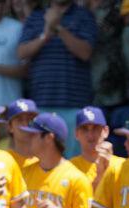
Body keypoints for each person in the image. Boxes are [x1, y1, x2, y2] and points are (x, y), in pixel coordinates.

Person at [17, 0, 98, 157]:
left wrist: (58, 27)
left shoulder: (84, 16)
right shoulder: (36, 16)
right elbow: (21, 52)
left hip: (74, 104)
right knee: (41, 162)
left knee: (73, 164)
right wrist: (46, 34)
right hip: (41, 103)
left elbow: (85, 52)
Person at [89, 0, 129, 108]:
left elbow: (107, 30)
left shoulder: (116, 6)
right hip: (93, 68)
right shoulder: (83, 9)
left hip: (113, 66)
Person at [1, 98, 39, 167]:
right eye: (20, 120)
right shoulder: (3, 161)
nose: (25, 124)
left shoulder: (46, 160)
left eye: (30, 119)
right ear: (10, 127)